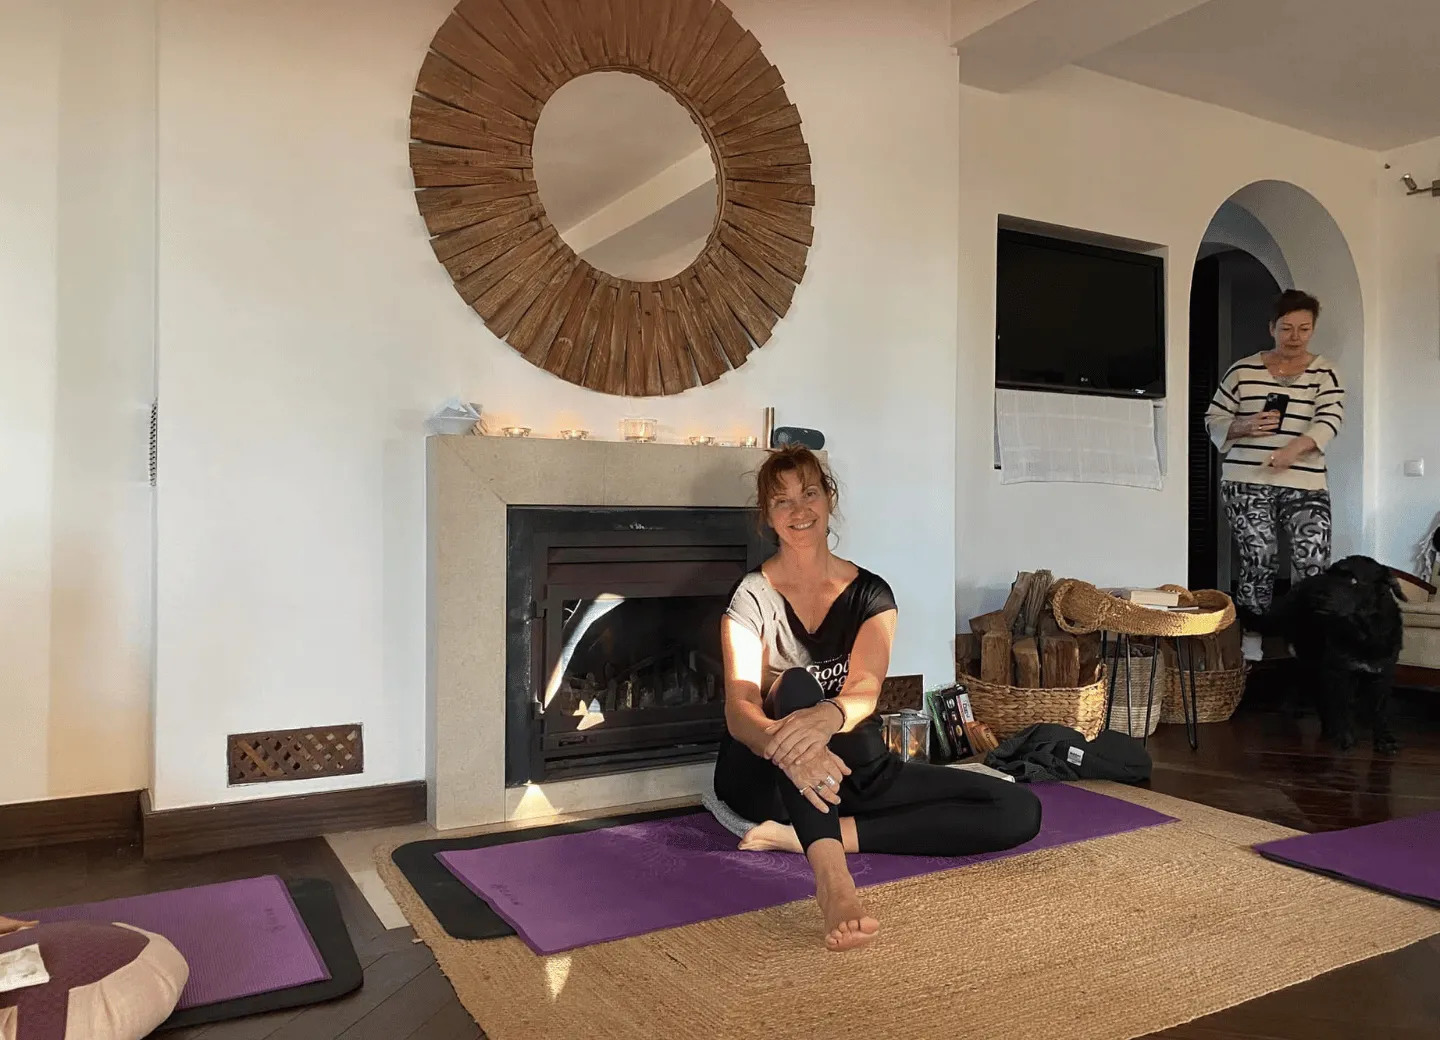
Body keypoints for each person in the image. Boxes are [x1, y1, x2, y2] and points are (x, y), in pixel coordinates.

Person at [713, 446, 1043, 952]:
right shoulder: (751, 596)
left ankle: (806, 835)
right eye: (782, 501)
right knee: (796, 684)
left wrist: (827, 719)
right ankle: (834, 883)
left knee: (1018, 809)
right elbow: (740, 712)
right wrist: (790, 749)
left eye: (809, 493)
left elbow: (865, 690)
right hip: (770, 776)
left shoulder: (871, 593)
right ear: (768, 515)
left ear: (829, 499)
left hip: (856, 768)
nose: (799, 510)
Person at [1205, 290, 1346, 659]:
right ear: (1272, 328)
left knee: (1312, 561)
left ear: (1313, 329)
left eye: (1304, 328)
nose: (1295, 337)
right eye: (1286, 328)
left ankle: (1305, 640)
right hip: (1247, 481)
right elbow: (1214, 419)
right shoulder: (1242, 371)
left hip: (1306, 482)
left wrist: (1292, 451)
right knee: (1259, 557)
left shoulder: (1325, 372)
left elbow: (1330, 420)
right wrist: (1245, 425)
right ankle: (1252, 639)